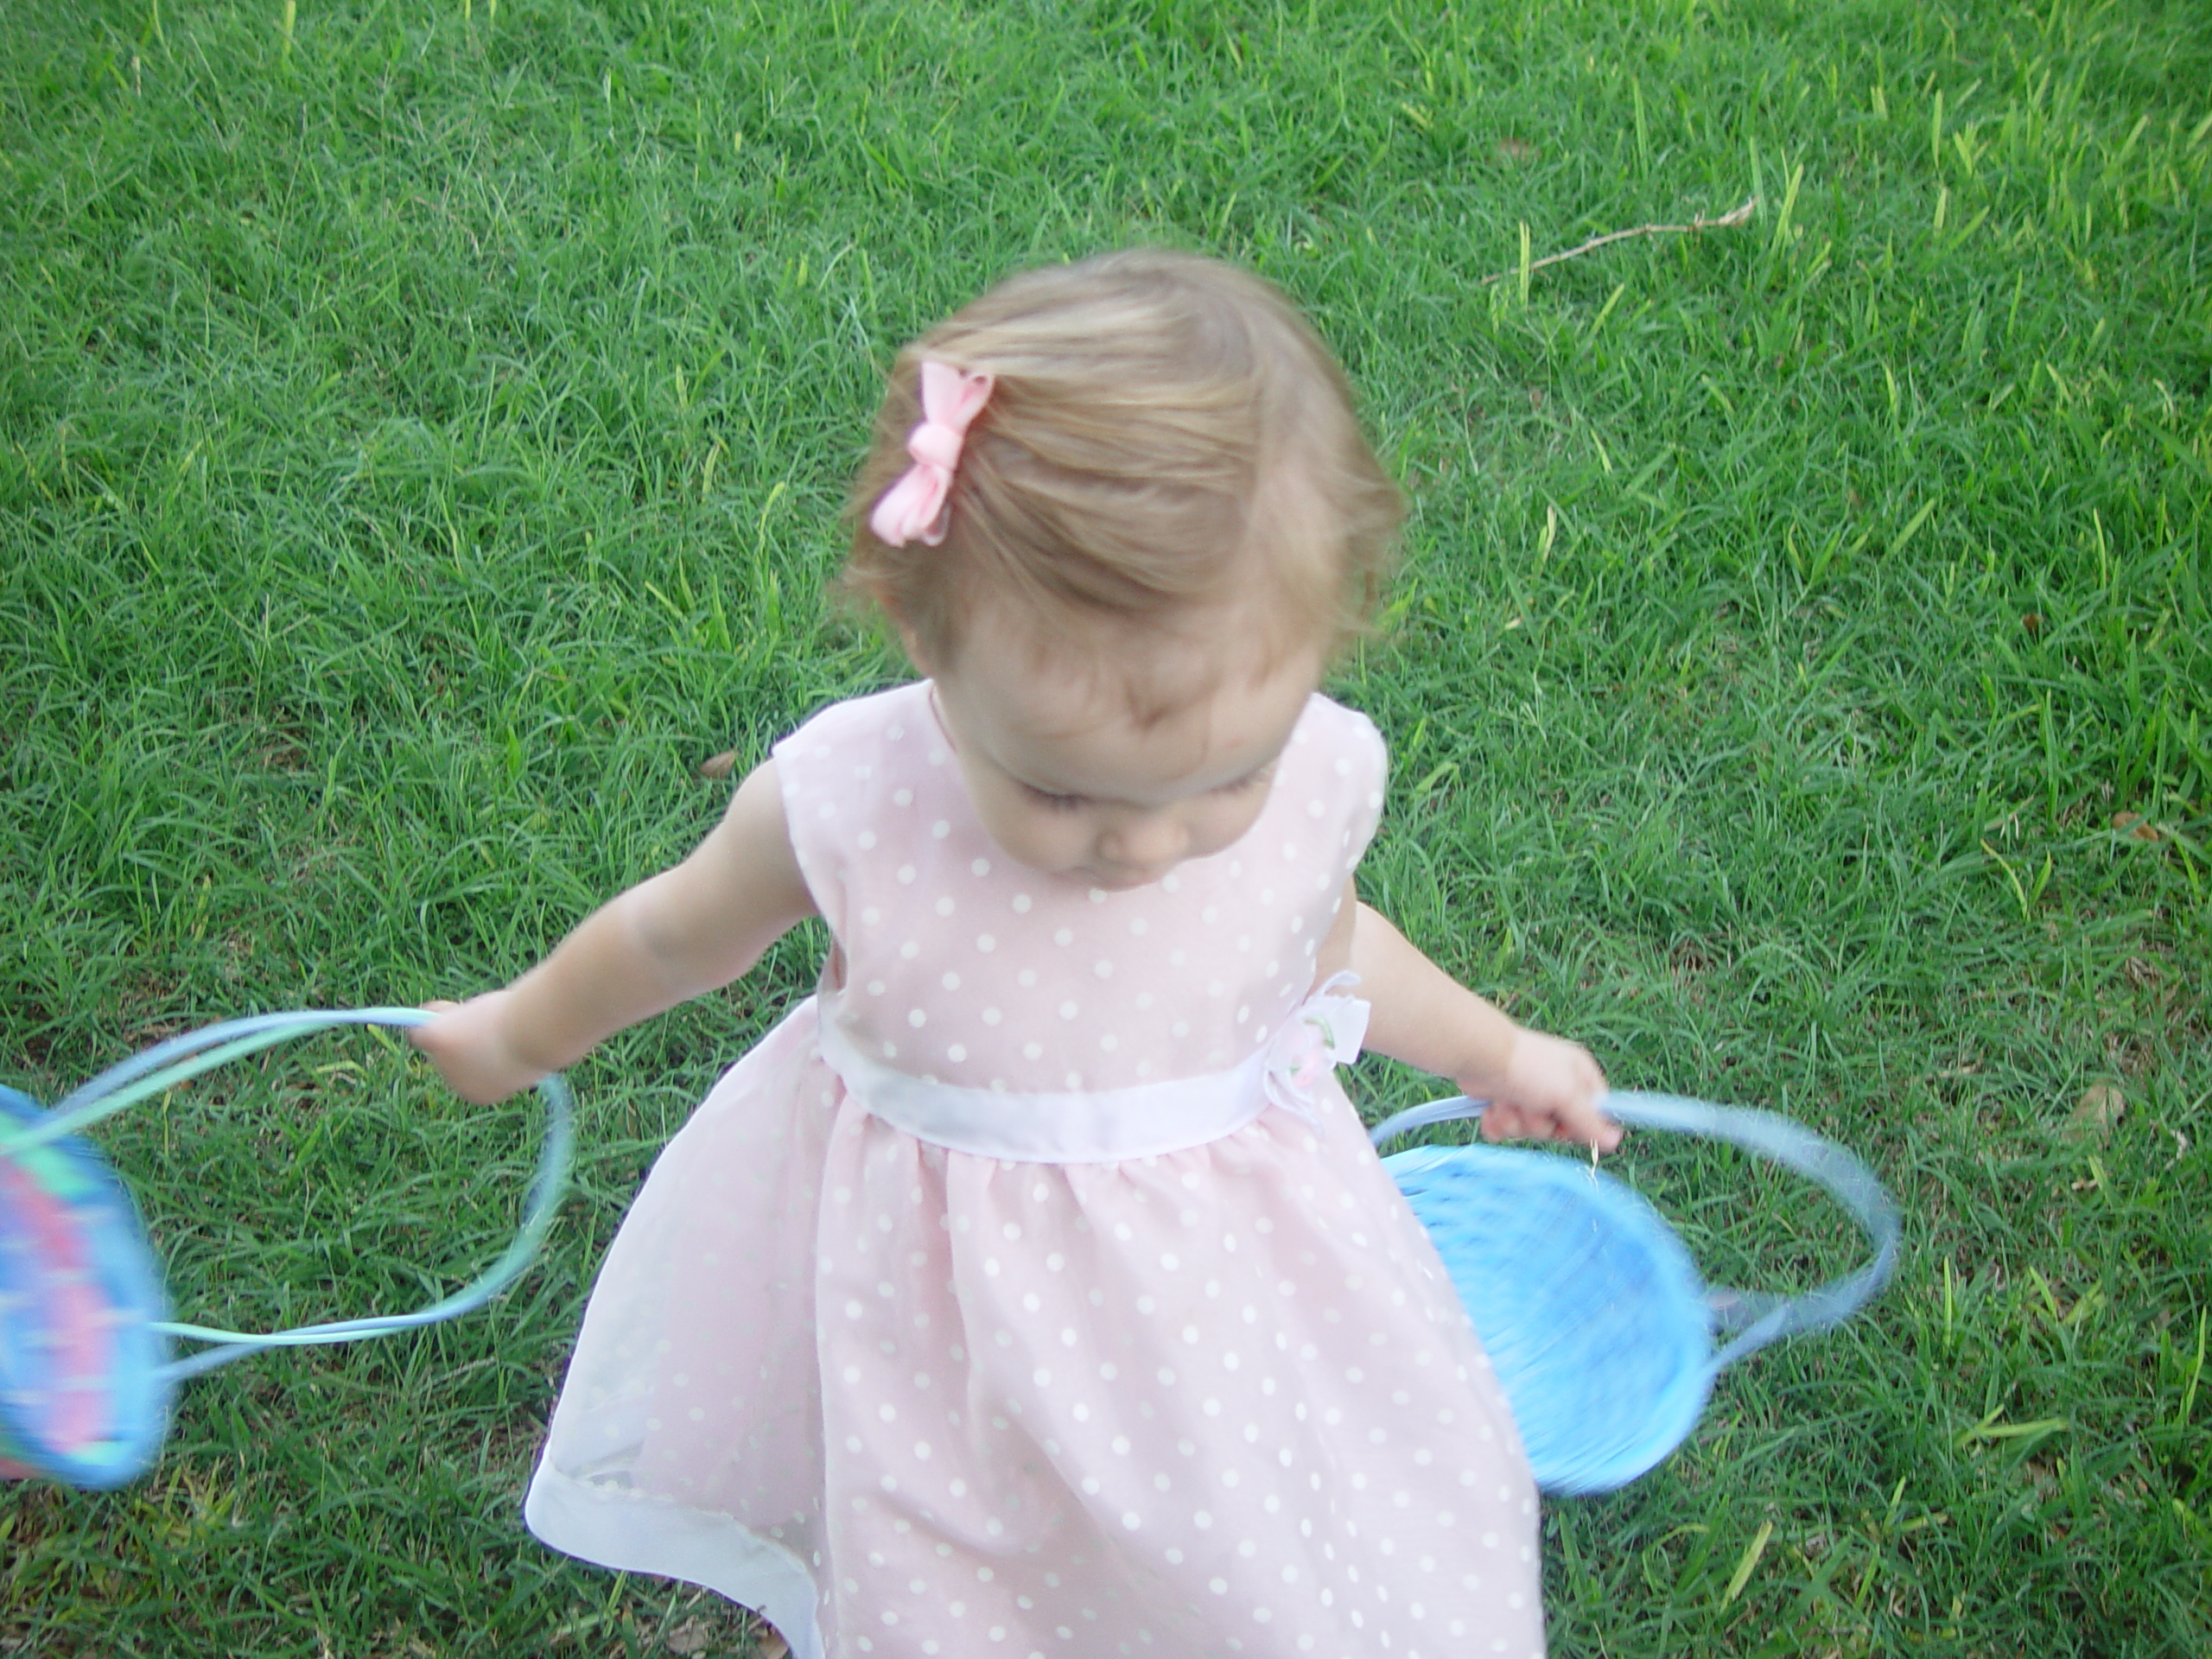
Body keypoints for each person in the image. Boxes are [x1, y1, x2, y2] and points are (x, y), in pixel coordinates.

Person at [413, 248, 1618, 1659]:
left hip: (1222, 1301)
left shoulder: (1312, 786)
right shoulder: (851, 807)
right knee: (963, 1589)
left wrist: (1498, 1049)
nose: (1148, 849)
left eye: (1222, 782)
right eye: (1062, 793)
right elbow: (674, 935)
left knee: (1238, 1557)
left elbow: (1332, 952)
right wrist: (515, 1035)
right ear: (925, 640)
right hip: (945, 1323)